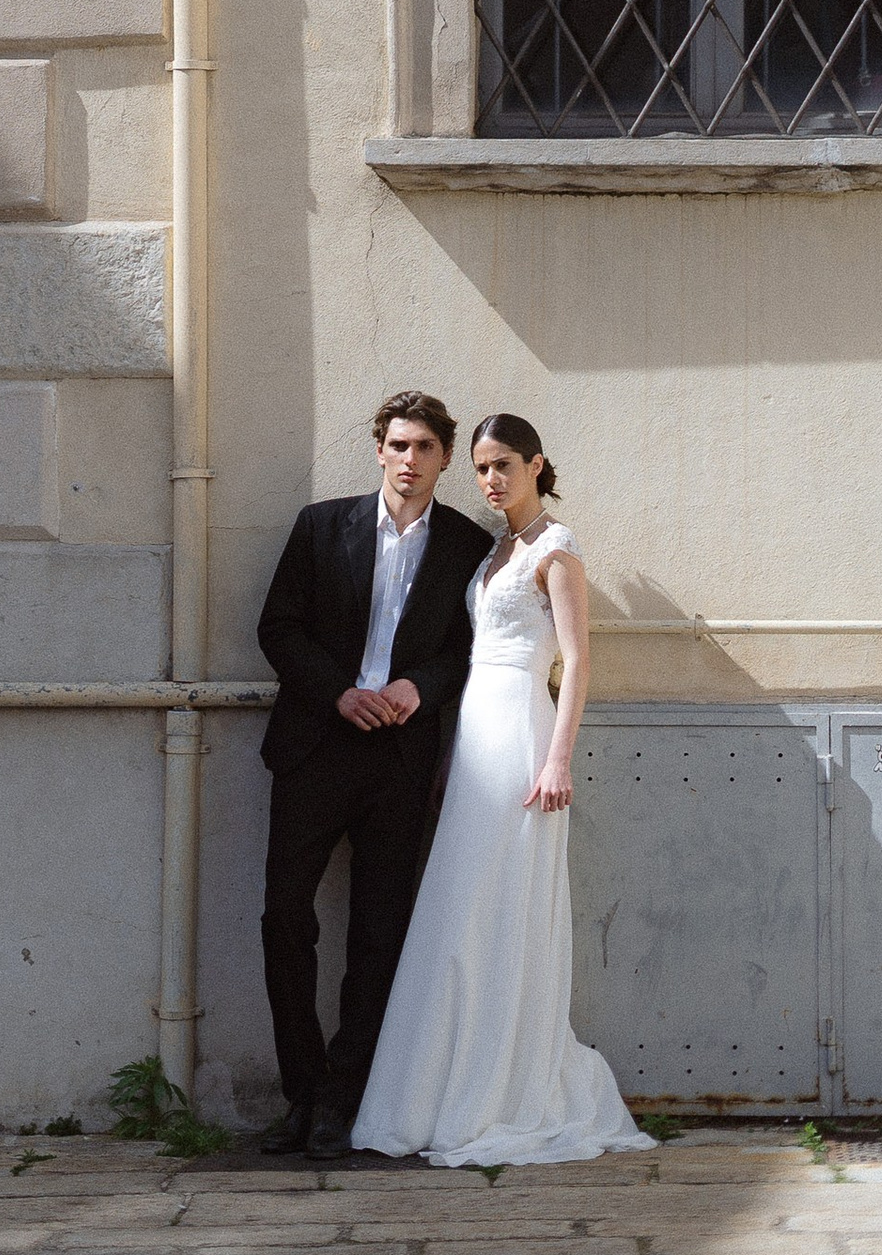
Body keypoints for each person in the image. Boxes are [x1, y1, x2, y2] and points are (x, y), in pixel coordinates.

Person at [351, 415, 651, 1167]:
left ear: (536, 464)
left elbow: (577, 663)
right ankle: (438, 1092)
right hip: (473, 744)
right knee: (456, 914)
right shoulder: (493, 553)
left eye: (503, 466)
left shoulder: (556, 549)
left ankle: (503, 1092)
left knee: (503, 914)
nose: (490, 480)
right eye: (481, 468)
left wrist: (557, 761)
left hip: (522, 740)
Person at [255, 392, 491, 1161]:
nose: (411, 460)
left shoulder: (466, 544)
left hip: (400, 758)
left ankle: (344, 1097)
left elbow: (469, 649)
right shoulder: (322, 527)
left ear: (445, 458)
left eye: (426, 447)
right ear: (378, 450)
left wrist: (418, 686)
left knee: (380, 933)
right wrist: (338, 693)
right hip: (317, 747)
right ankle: (301, 1090)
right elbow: (277, 627)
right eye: (398, 445)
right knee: (284, 915)